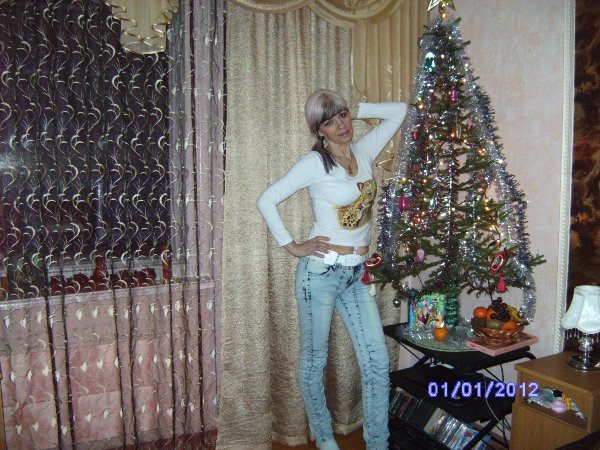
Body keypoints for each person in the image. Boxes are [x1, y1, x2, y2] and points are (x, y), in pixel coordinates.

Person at [256, 89, 407, 450]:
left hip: (355, 274)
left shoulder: (364, 151)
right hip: (320, 274)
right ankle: (325, 440)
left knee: (376, 360)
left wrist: (357, 108)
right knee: (314, 361)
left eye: (343, 116)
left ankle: (378, 444)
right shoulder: (314, 163)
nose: (341, 125)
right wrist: (292, 245)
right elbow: (267, 199)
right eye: (329, 121)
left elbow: (400, 111)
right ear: (318, 130)